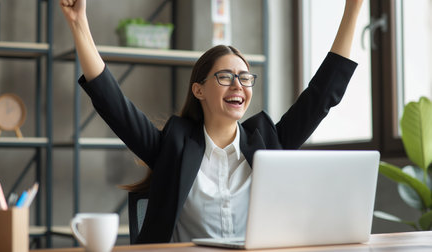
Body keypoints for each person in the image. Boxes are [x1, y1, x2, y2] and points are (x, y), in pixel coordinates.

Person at [60, 0, 364, 244]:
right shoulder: (174, 145)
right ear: (199, 90)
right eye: (225, 77)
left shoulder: (268, 144)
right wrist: (78, 22)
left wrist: (353, 7)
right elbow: (114, 105)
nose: (238, 86)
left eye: (245, 78)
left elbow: (322, 96)